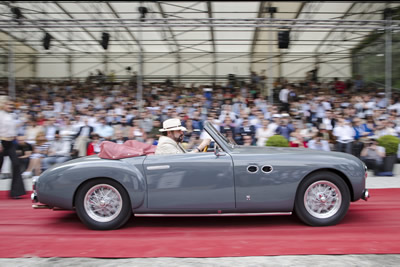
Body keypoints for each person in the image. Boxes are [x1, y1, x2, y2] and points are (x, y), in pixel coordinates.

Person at [0, 96, 26, 199]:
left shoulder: (11, 115)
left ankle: (16, 192)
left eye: (11, 104)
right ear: (2, 104)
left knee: (16, 164)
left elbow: (11, 129)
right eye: (8, 104)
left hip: (11, 142)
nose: (11, 106)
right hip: (2, 142)